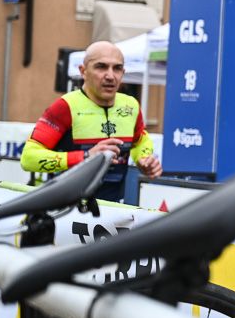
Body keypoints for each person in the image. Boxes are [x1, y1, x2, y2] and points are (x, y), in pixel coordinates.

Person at [21, 41, 162, 202]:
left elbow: (140, 141)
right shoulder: (65, 106)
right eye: (101, 67)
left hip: (112, 209)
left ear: (123, 73)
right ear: (83, 71)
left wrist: (144, 159)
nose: (110, 76)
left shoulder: (131, 105)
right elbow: (28, 158)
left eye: (117, 68)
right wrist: (86, 156)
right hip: (68, 208)